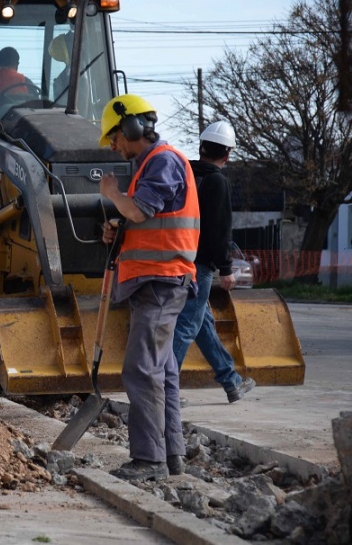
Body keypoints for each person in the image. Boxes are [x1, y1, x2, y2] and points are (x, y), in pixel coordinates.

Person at [97, 94, 200, 482]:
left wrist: (113, 195)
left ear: (131, 127)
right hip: (155, 281)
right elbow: (145, 219)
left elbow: (140, 210)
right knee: (163, 371)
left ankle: (148, 461)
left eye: (114, 137)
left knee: (141, 370)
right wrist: (118, 230)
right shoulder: (149, 165)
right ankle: (171, 456)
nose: (113, 147)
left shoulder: (163, 160)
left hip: (162, 281)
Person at [173, 121, 255, 405]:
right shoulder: (217, 182)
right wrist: (226, 269)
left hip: (177, 260)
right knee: (187, 325)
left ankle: (231, 381)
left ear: (201, 147)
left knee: (202, 322)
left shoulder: (184, 174)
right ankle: (164, 391)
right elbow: (220, 230)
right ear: (227, 154)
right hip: (200, 265)